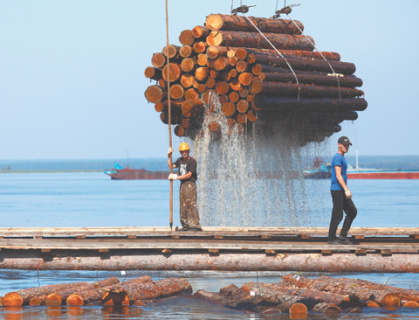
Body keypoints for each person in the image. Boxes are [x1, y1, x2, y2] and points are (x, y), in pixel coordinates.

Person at [328, 136, 357, 245]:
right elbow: (338, 175)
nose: (346, 147)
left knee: (352, 211)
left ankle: (342, 236)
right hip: (337, 189)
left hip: (341, 190)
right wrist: (346, 189)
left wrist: (345, 190)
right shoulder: (337, 157)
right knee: (337, 214)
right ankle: (331, 239)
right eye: (344, 145)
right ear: (339, 144)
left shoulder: (342, 157)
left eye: (348, 145)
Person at [168, 142, 202, 231]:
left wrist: (176, 177)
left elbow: (189, 175)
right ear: (180, 152)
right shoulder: (179, 160)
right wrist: (169, 156)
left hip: (190, 184)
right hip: (182, 185)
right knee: (183, 204)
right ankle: (185, 224)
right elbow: (171, 166)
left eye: (185, 151)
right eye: (182, 151)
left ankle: (195, 224)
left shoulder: (192, 161)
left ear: (188, 151)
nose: (184, 153)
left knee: (191, 203)